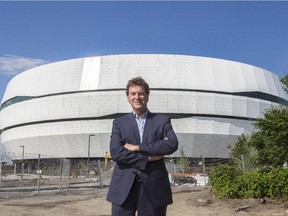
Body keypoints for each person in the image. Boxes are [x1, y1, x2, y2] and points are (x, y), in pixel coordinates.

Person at [106, 77, 179, 216]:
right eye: (133, 94)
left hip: (154, 186)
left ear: (147, 96)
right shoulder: (119, 123)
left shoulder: (162, 121)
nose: (137, 97)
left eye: (141, 93)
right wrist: (147, 159)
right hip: (123, 187)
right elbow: (116, 152)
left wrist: (137, 147)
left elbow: (172, 144)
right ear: (127, 97)